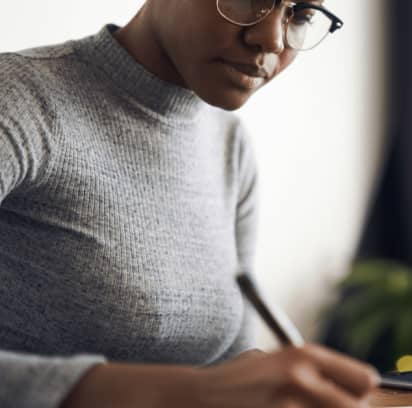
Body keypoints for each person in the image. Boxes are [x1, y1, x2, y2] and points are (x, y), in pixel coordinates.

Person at [0, 0, 379, 407]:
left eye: (299, 15)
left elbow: (229, 361)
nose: (270, 38)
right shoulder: (17, 98)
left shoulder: (229, 147)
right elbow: (206, 390)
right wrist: (189, 392)